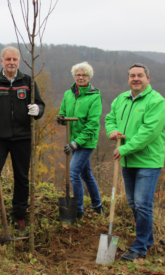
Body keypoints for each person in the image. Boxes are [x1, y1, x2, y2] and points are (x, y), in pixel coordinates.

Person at [0, 46, 45, 236]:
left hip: (23, 138)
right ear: (1, 61)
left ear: (19, 61)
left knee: (22, 178)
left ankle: (19, 216)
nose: (11, 62)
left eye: (15, 59)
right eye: (8, 59)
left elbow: (40, 104)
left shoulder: (28, 81)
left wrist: (38, 110)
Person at [105, 63, 165, 261]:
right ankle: (147, 240)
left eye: (140, 75)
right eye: (132, 75)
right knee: (134, 203)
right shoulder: (121, 99)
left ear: (148, 79)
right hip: (127, 162)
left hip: (148, 161)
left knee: (142, 204)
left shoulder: (156, 101)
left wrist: (124, 148)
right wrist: (112, 131)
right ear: (128, 79)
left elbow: (148, 133)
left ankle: (140, 248)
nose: (136, 79)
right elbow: (110, 118)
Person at [56, 61, 103, 219]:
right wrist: (61, 119)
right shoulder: (68, 94)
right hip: (73, 139)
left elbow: (92, 124)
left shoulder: (94, 97)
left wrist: (77, 143)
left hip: (86, 141)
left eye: (84, 75)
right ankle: (97, 205)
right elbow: (63, 113)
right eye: (78, 74)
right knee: (86, 175)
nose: (80, 77)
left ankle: (78, 210)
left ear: (89, 77)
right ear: (74, 76)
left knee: (74, 172)